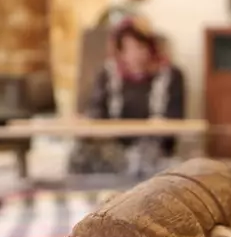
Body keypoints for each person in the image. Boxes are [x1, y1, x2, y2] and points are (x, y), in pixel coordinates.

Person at [67, 16, 186, 177]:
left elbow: (175, 119)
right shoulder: (107, 75)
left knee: (164, 168)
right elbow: (97, 111)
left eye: (139, 47)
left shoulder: (171, 75)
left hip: (152, 150)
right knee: (79, 157)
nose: (134, 54)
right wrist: (87, 122)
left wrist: (158, 127)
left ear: (150, 47)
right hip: (113, 148)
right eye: (126, 49)